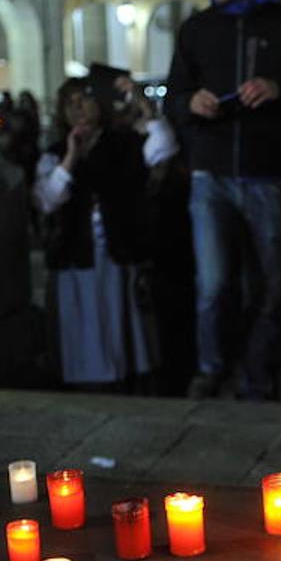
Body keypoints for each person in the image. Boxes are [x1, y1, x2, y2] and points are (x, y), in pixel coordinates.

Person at [165, 0, 281, 400]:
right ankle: (212, 368)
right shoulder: (196, 28)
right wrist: (190, 102)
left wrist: (280, 91)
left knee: (273, 285)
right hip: (210, 175)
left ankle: (258, 376)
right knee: (212, 284)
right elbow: (173, 96)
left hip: (270, 174)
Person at [34, 77, 177, 387]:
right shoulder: (55, 153)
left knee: (117, 320)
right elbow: (48, 199)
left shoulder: (123, 142)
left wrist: (145, 109)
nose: (77, 109)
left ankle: (124, 377)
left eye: (83, 100)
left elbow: (163, 150)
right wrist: (71, 157)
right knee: (84, 322)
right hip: (76, 252)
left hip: (118, 246)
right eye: (69, 103)